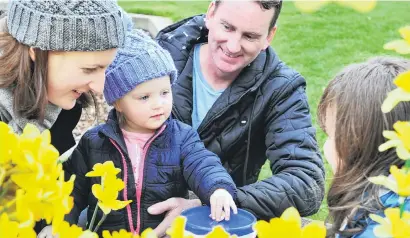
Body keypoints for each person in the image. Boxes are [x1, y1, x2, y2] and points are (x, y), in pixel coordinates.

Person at [39, 30, 238, 238]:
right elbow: (72, 190)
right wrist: (58, 225)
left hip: (164, 233)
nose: (158, 104)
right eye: (144, 97)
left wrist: (218, 189)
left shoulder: (181, 138)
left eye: (164, 92)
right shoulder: (94, 142)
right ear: (117, 102)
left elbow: (203, 164)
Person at [150, 0, 325, 234]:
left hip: (216, 226)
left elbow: (307, 183)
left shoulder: (281, 89)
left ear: (269, 36)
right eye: (228, 27)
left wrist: (210, 202)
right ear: (211, 13)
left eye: (250, 36)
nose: (233, 46)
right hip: (136, 211)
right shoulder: (160, 54)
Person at [0, 0, 127, 234]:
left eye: (105, 68)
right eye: (89, 69)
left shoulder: (63, 106)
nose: (99, 87)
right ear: (36, 52)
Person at [318, 56, 410, 237]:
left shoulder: (382, 226)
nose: (326, 146)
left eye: (331, 136)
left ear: (358, 146)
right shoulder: (386, 199)